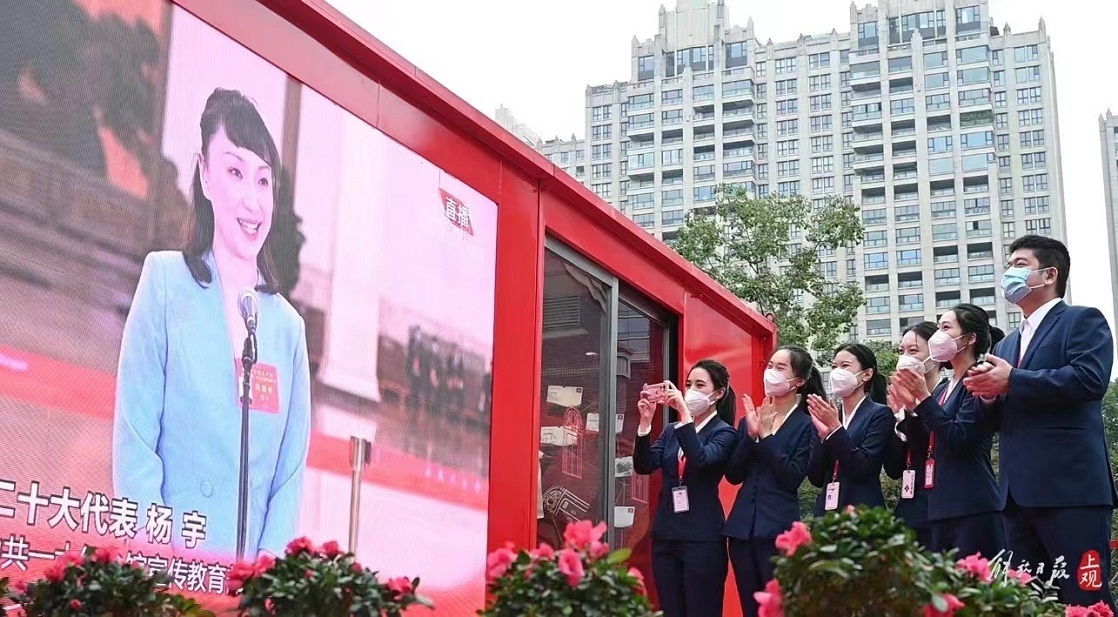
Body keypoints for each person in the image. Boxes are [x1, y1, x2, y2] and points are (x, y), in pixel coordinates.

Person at [114, 88, 311, 559]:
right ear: (204, 174)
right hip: (172, 585)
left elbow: (288, 480)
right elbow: (135, 446)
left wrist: (265, 588)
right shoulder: (164, 283)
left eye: (263, 181)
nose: (252, 200)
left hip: (250, 593)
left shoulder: (287, 329)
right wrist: (160, 575)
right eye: (235, 172)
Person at [964, 235, 1116, 608]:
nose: (1008, 272)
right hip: (1017, 496)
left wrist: (1013, 380)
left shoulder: (1082, 320)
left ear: (1049, 274)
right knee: (1028, 602)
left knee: (1085, 597)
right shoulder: (1004, 345)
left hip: (1071, 491)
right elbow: (998, 415)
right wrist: (987, 397)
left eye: (1018, 263)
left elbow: (1089, 380)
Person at [890, 305, 1004, 559]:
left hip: (971, 504)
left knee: (974, 590)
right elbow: (925, 444)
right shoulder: (943, 389)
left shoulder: (979, 378)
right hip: (939, 506)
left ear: (969, 338)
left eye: (946, 328)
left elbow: (960, 439)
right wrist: (909, 408)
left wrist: (922, 398)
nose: (937, 336)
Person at [633, 359, 737, 617]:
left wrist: (684, 415)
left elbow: (700, 460)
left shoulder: (724, 433)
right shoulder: (671, 431)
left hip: (702, 538)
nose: (690, 390)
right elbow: (645, 465)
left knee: (702, 609)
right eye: (688, 384)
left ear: (719, 393)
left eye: (700, 385)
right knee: (671, 609)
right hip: (666, 534)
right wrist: (646, 424)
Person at [724, 346, 821, 617]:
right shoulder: (751, 418)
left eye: (780, 368)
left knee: (778, 607)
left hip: (777, 530)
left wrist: (767, 438)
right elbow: (733, 475)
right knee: (749, 607)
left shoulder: (807, 424)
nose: (771, 373)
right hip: (743, 529)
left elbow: (791, 478)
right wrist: (751, 435)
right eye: (770, 366)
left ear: (799, 381)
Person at [806, 343, 892, 516]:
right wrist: (823, 438)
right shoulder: (831, 415)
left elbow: (863, 468)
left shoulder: (880, 414)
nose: (837, 372)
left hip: (862, 514)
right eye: (834, 367)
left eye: (845, 366)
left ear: (867, 374)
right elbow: (816, 478)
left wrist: (836, 431)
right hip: (828, 514)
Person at [882, 321, 939, 547]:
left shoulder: (947, 395)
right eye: (901, 351)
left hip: (940, 509)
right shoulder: (900, 402)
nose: (905, 358)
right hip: (908, 510)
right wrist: (898, 417)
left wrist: (913, 413)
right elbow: (894, 469)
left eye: (913, 351)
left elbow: (932, 446)